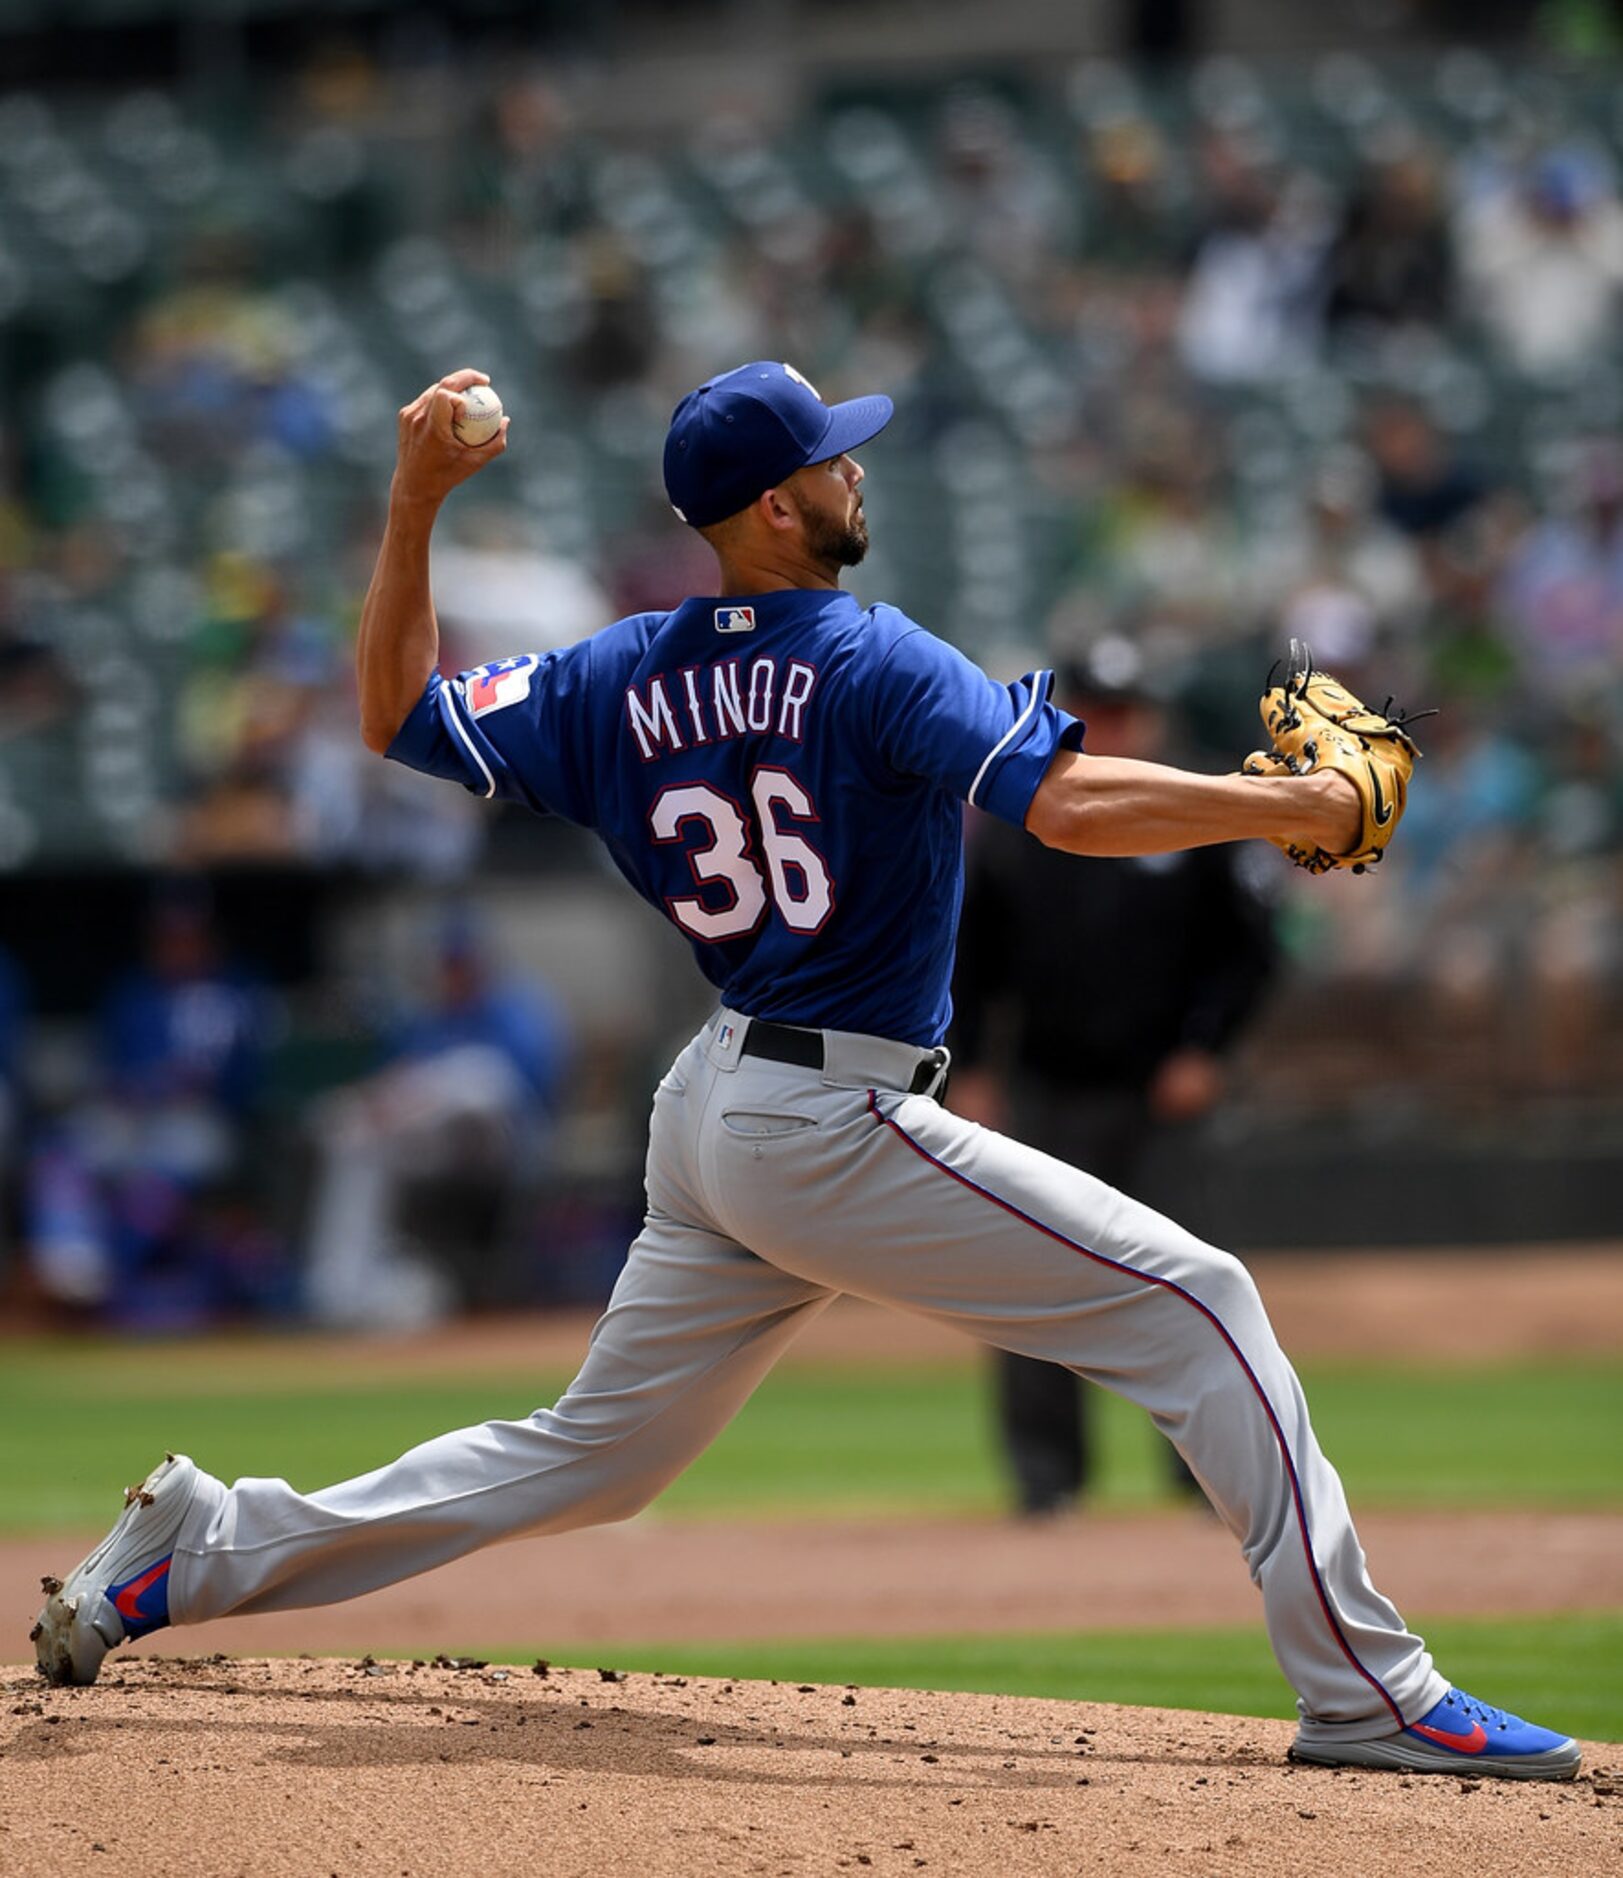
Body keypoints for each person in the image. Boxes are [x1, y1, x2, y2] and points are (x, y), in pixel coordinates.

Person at [33, 362, 1579, 1781]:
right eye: (832, 457)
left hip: (715, 1106)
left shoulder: (616, 672)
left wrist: (415, 501)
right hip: (824, 1112)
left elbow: (399, 716)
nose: (856, 470)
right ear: (776, 506)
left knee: (593, 1457)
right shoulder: (865, 654)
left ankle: (204, 1544)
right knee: (1201, 1301)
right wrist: (1297, 803)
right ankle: (1367, 1690)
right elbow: (1067, 806)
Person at [952, 645, 1275, 1516]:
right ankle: (1047, 1480)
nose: (1113, 727)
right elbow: (966, 956)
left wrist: (1206, 1049)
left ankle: (1207, 1477)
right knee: (1030, 1283)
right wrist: (971, 1066)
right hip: (1047, 1087)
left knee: (1189, 1283)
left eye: (1126, 709)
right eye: (1094, 709)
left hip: (1159, 1091)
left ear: (1152, 718)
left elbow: (1247, 953)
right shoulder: (1017, 824)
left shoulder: (1188, 815)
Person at [302, 914, 571, 1330]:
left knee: (480, 1077)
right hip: (435, 1151)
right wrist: (387, 1102)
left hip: (501, 1147)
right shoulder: (424, 1021)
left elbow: (525, 1088)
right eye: (446, 962)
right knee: (354, 1134)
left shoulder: (516, 1009)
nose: (452, 971)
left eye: (460, 961)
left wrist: (425, 1088)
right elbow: (393, 1080)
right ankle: (342, 1287)